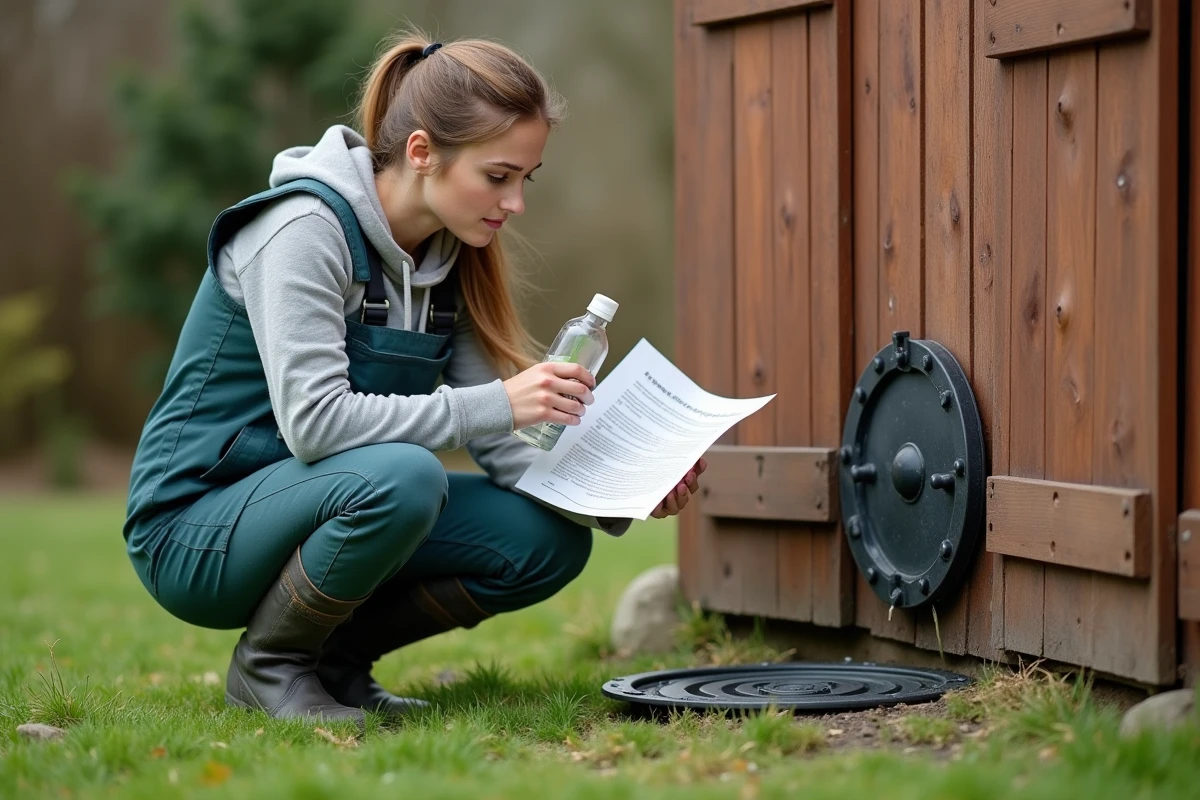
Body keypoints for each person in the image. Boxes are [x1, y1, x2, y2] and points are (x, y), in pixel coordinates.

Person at [121, 31, 706, 728]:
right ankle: (271, 666)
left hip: (325, 501)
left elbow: (506, 449)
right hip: (193, 531)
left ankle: (335, 666)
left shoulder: (449, 258)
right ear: (423, 152)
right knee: (406, 476)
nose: (516, 202)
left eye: (526, 178)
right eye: (498, 176)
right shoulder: (303, 230)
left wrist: (624, 494)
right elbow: (315, 425)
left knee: (543, 540)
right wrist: (498, 402)